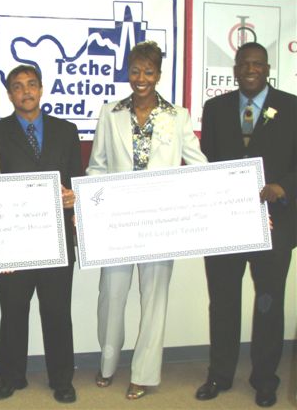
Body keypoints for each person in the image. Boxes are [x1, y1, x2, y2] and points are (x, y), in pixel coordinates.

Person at [86, 41, 207, 400]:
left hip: (160, 224)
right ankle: (108, 363)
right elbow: (97, 166)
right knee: (111, 295)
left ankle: (143, 373)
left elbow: (197, 165)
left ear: (158, 74)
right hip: (118, 223)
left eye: (149, 71)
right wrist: (93, 207)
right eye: (135, 70)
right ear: (128, 71)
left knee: (155, 299)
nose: (141, 78)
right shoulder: (110, 113)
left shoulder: (177, 115)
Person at [195, 42, 296, 408]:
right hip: (226, 221)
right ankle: (220, 374)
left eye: (257, 64)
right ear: (235, 69)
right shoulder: (216, 108)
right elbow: (207, 162)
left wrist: (284, 187)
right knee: (222, 301)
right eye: (244, 64)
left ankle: (265, 379)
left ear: (267, 68)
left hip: (275, 222)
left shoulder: (292, 106)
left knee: (268, 302)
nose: (250, 69)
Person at [0, 65, 83, 404]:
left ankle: (62, 379)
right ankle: (11, 378)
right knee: (13, 310)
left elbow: (76, 180)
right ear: (9, 94)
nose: (25, 91)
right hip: (13, 240)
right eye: (18, 86)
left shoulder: (66, 131)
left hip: (55, 239)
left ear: (41, 89)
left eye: (31, 85)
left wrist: (73, 197)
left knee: (56, 310)